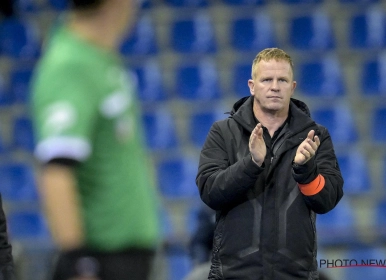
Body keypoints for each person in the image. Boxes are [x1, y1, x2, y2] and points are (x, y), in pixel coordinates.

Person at [30, 0, 160, 279]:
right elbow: (56, 169)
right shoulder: (71, 65)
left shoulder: (99, 57)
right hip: (103, 260)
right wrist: (79, 263)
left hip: (128, 256)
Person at [196, 48, 344, 280]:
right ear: (252, 86)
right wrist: (252, 163)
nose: (275, 86)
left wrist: (305, 171)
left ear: (292, 87)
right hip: (233, 275)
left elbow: (327, 200)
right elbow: (210, 192)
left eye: (282, 80)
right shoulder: (223, 132)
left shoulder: (315, 136)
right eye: (267, 79)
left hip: (295, 275)